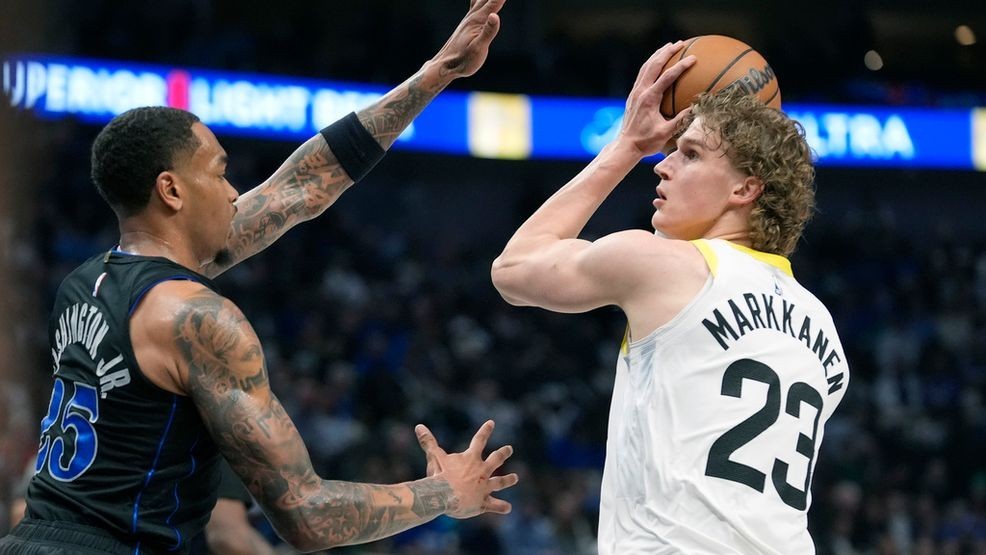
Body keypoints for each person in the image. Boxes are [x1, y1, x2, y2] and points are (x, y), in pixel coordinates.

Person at [0, 0, 518, 553]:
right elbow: (307, 516)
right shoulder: (196, 317)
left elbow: (298, 189)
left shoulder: (85, 284)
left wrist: (433, 75)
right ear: (172, 190)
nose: (232, 191)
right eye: (221, 172)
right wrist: (443, 493)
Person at [491, 41, 849, 554]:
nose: (661, 166)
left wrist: (626, 146)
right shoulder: (824, 331)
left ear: (745, 190)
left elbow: (513, 269)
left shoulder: (664, 267)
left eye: (690, 153)